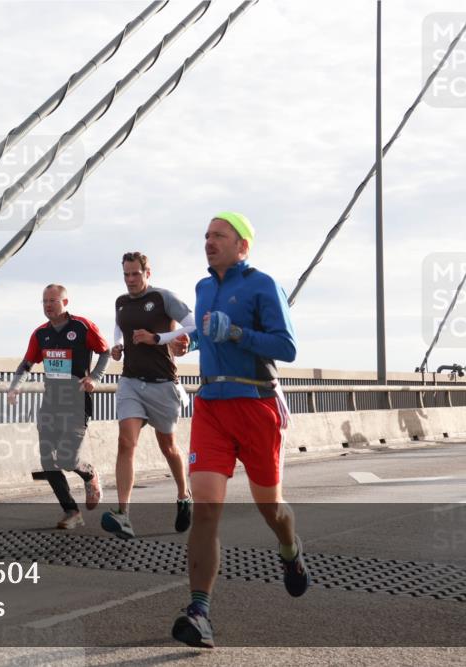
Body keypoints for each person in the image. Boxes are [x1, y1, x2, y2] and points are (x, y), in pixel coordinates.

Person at [171, 212, 310, 649]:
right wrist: (188, 342)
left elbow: (285, 347)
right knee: (207, 508)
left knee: (272, 509)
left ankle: (290, 550)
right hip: (211, 405)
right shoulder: (203, 287)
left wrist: (236, 333)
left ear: (242, 245)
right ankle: (200, 612)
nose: (209, 241)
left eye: (219, 235)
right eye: (207, 235)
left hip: (255, 404)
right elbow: (205, 334)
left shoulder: (263, 285)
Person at [100, 251, 195, 540]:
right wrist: (116, 346)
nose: (130, 280)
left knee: (168, 447)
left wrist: (158, 339)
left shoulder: (164, 298)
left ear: (147, 273)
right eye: (126, 274)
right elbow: (120, 326)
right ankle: (123, 514)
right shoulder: (121, 302)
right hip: (130, 382)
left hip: (162, 383)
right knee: (126, 442)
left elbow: (191, 325)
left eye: (135, 274)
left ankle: (183, 494)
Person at [8, 284, 111, 529]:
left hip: (76, 402)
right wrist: (15, 386)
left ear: (65, 302)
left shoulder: (82, 327)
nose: (48, 305)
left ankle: (88, 473)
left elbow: (105, 352)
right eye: (44, 301)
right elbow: (26, 364)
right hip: (51, 402)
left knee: (66, 459)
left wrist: (94, 378)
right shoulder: (40, 333)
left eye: (53, 301)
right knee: (47, 460)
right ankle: (71, 511)